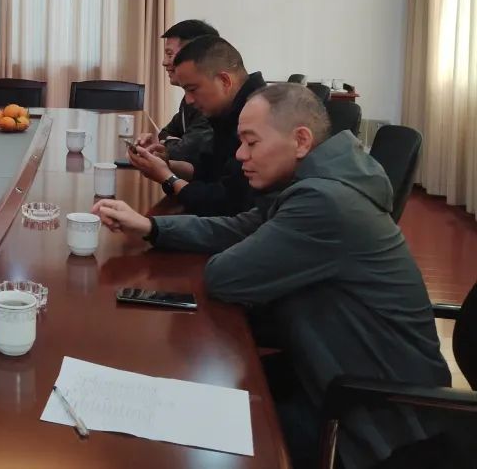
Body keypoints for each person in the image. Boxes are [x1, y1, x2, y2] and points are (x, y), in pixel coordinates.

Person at [93, 84, 451, 469]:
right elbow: (239, 227)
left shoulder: (324, 202)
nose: (239, 154)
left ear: (301, 141)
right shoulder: (318, 181)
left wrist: (244, 243)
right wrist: (151, 226)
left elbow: (225, 276)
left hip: (374, 421)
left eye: (251, 142)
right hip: (326, 372)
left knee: (183, 441)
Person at [127, 35, 265, 215]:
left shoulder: (258, 115)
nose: (189, 100)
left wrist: (167, 177)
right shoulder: (226, 110)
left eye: (192, 89)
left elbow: (227, 203)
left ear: (224, 81)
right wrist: (167, 164)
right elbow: (210, 171)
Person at [134, 19, 218, 168]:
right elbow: (165, 132)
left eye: (170, 54)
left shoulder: (211, 100)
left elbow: (185, 153)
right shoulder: (189, 97)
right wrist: (168, 142)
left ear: (193, 54)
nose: (164, 62)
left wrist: (170, 145)